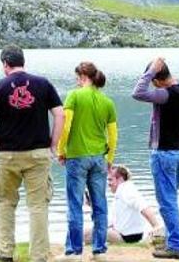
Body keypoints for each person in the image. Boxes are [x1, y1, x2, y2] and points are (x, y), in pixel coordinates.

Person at [0, 45, 64, 262]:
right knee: (38, 205)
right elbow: (59, 114)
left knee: (5, 203)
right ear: (23, 61)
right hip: (38, 153)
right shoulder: (43, 84)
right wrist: (53, 145)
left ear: (5, 64)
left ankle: (5, 252)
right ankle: (38, 256)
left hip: (7, 154)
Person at [132, 57, 179, 260]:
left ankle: (177, 245)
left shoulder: (166, 95)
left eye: (153, 80)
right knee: (171, 199)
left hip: (164, 154)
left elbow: (138, 93)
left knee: (167, 202)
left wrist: (150, 71)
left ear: (158, 80)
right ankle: (173, 241)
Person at [56, 61, 117, 262]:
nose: (76, 82)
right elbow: (113, 134)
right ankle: (99, 250)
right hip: (99, 158)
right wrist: (109, 158)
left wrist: (61, 150)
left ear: (83, 77)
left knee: (75, 204)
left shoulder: (74, 96)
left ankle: (74, 252)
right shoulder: (107, 101)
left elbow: (66, 126)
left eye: (77, 78)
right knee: (100, 204)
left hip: (77, 157)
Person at [84, 165, 163, 245]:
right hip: (121, 234)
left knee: (85, 234)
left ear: (120, 179)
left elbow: (144, 206)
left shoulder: (126, 190)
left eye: (110, 180)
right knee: (89, 232)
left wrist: (156, 226)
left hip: (126, 237)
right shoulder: (122, 192)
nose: (108, 183)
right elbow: (110, 221)